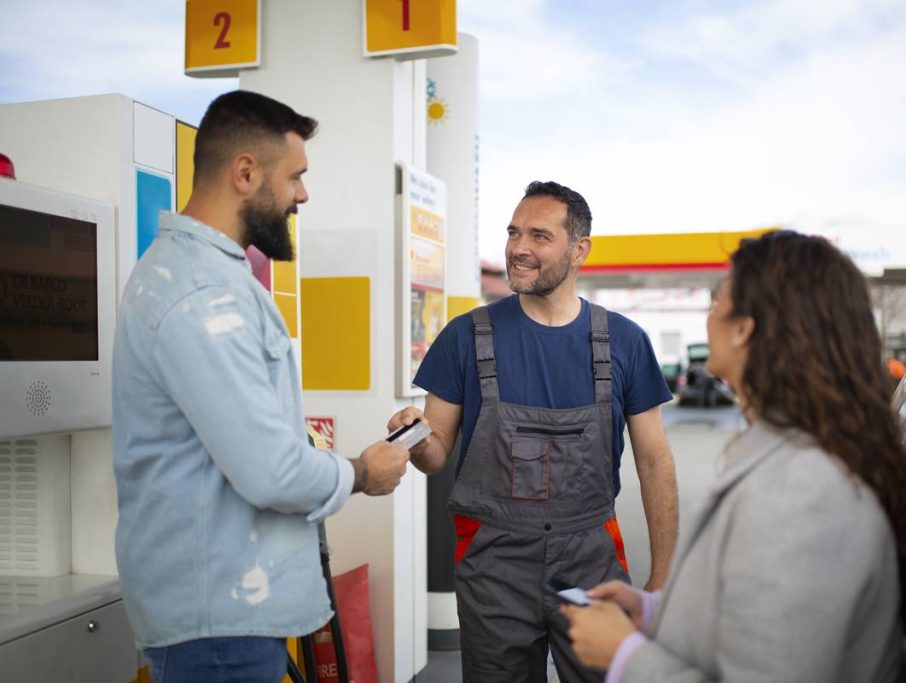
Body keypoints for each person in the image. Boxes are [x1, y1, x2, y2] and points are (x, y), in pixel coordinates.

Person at [112, 90, 411, 683]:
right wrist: (361, 472)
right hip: (220, 622)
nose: (303, 194)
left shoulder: (206, 276)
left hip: (224, 612)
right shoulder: (202, 294)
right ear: (245, 172)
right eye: (295, 176)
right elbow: (271, 472)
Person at [564, 231, 906, 682]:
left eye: (718, 297)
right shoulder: (801, 453)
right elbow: (763, 603)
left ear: (745, 328)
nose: (710, 312)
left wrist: (623, 655)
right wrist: (651, 612)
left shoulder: (801, 492)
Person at [388, 181, 680, 682]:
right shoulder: (466, 335)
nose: (518, 248)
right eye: (513, 232)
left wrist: (662, 576)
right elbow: (435, 454)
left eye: (539, 236)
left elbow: (655, 461)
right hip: (494, 565)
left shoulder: (625, 342)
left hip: (591, 564)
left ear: (579, 249)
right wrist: (414, 436)